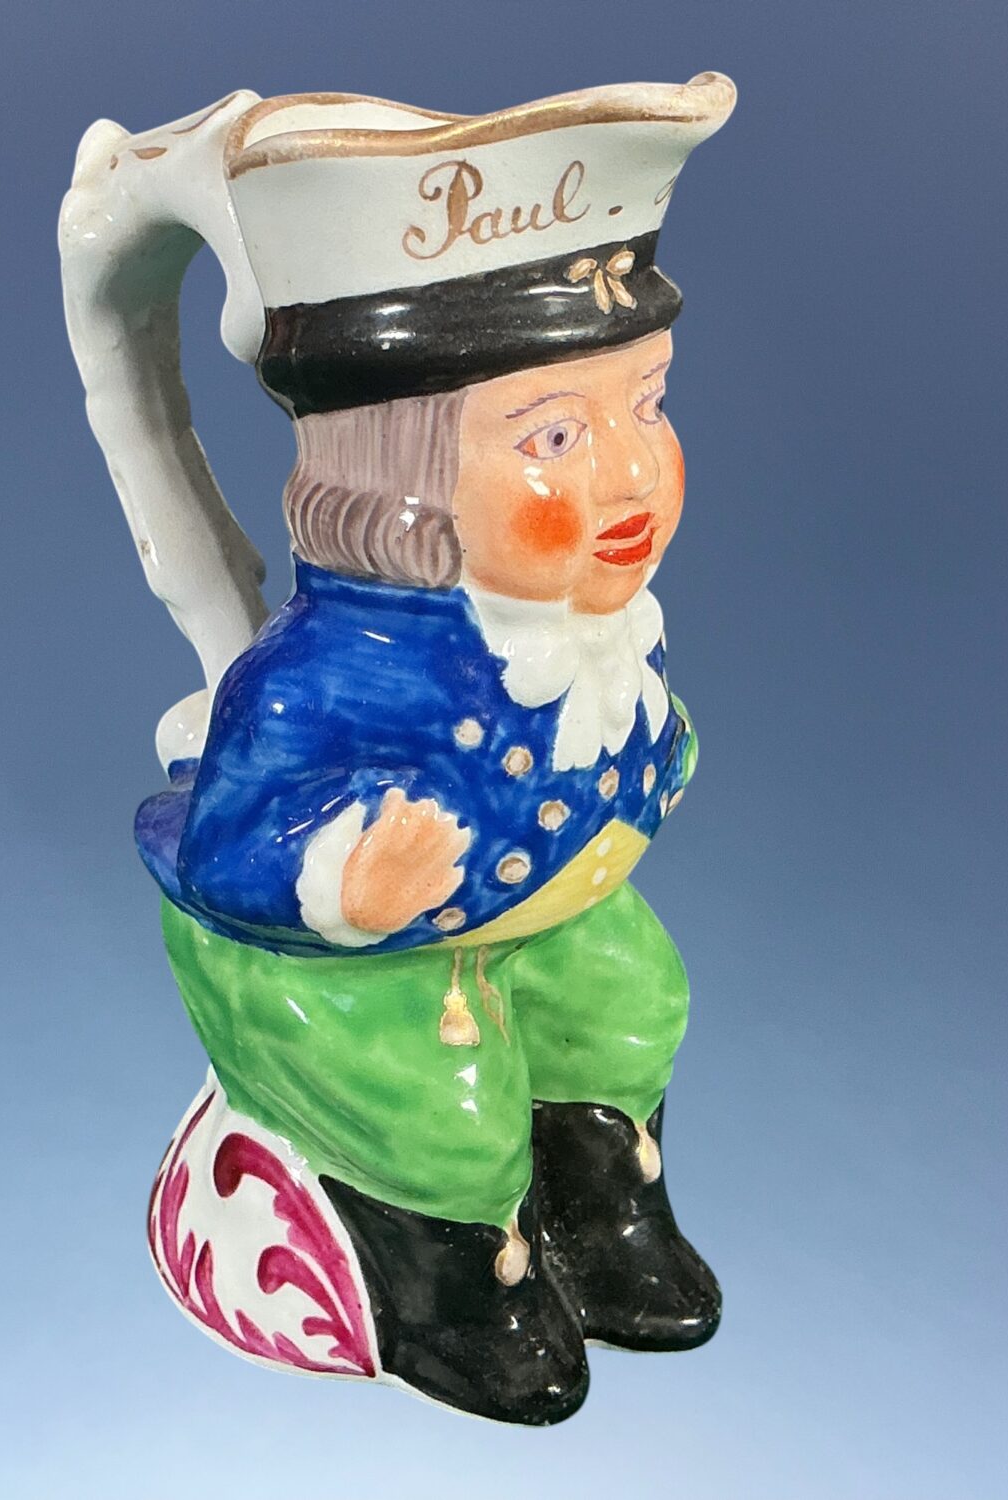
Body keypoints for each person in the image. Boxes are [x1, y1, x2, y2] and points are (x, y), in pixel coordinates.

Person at [135, 318, 719, 1425]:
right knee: (447, 1105)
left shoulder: (602, 615)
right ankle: (457, 1287)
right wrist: (341, 886)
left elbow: (615, 727)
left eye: (646, 405)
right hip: (336, 961)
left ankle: (603, 1213)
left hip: (532, 913)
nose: (635, 470)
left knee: (635, 999)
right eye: (554, 437)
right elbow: (219, 850)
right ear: (405, 488)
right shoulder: (323, 675)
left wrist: (663, 762)